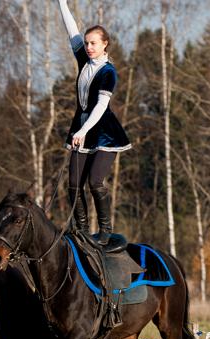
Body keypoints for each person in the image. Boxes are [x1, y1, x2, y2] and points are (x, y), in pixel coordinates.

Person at [58, 0, 130, 246]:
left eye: (93, 43)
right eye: (87, 43)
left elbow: (100, 107)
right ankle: (82, 230)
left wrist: (83, 130)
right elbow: (72, 30)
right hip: (82, 130)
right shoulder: (84, 60)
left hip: (104, 133)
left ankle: (105, 229)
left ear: (105, 44)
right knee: (73, 184)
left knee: (95, 181)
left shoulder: (108, 72)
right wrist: (62, 3)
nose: (88, 47)